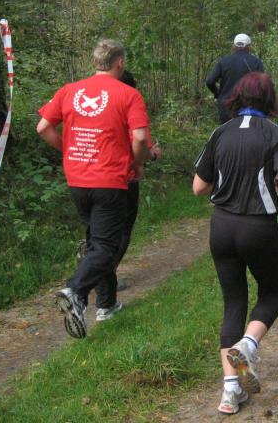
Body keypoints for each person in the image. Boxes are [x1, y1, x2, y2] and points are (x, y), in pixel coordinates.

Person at [192, 72, 278, 415]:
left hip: (221, 226)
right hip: (258, 226)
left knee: (233, 302)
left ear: (236, 97)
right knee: (272, 293)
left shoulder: (219, 133)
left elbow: (198, 187)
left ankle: (230, 392)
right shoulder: (276, 134)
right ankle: (249, 345)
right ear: (270, 100)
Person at [37, 39, 151, 339]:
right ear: (120, 63)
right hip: (110, 179)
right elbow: (140, 138)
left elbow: (43, 128)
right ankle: (75, 291)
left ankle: (107, 304)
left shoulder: (69, 90)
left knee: (96, 241)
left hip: (77, 180)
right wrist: (137, 163)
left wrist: (68, 149)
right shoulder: (128, 94)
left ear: (94, 62)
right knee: (107, 246)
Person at [115, 70, 162, 291]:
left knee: (101, 228)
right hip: (126, 177)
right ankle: (107, 273)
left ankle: (94, 264)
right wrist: (151, 155)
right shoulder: (132, 106)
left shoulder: (100, 105)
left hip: (92, 176)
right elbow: (141, 142)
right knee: (123, 228)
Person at [205, 33, 264, 123]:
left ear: (234, 46)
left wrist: (217, 94)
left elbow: (210, 81)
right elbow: (263, 85)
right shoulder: (256, 62)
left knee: (228, 131)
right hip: (249, 108)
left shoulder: (224, 61)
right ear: (249, 47)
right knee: (248, 131)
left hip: (226, 108)